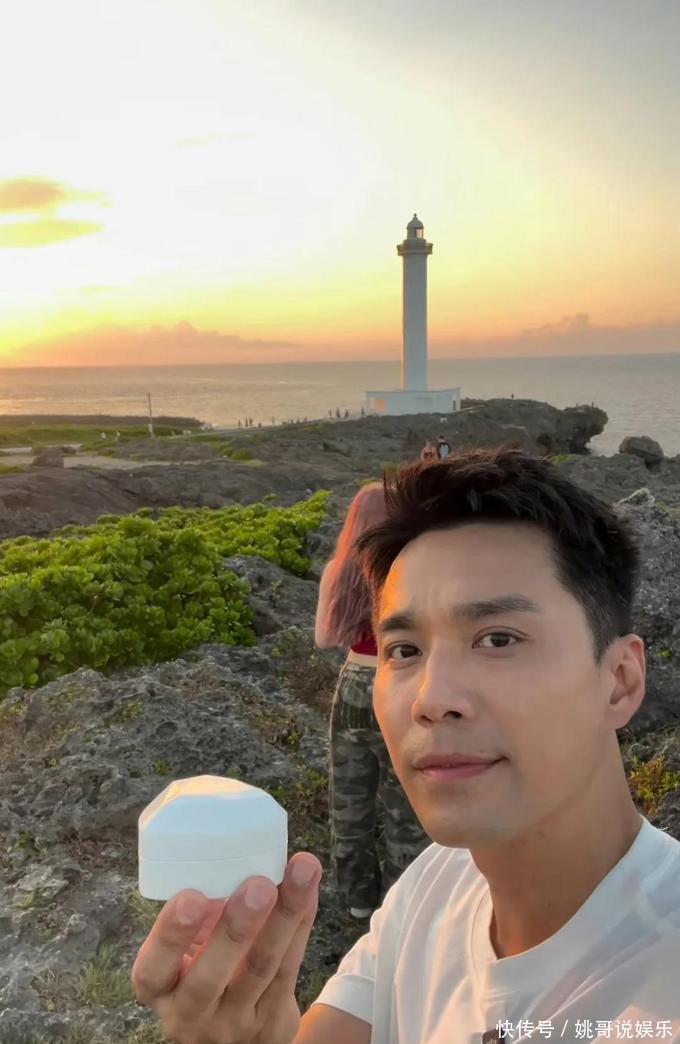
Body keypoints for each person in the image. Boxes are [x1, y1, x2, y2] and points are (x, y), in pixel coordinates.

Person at [131, 446, 680, 1044]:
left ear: (619, 681)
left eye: (498, 639)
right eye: (404, 650)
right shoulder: (434, 886)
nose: (430, 698)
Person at [314, 482, 429, 919]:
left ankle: (358, 901)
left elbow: (324, 639)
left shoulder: (338, 570)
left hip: (354, 685)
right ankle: (404, 908)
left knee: (349, 799)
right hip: (400, 683)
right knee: (405, 802)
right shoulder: (408, 569)